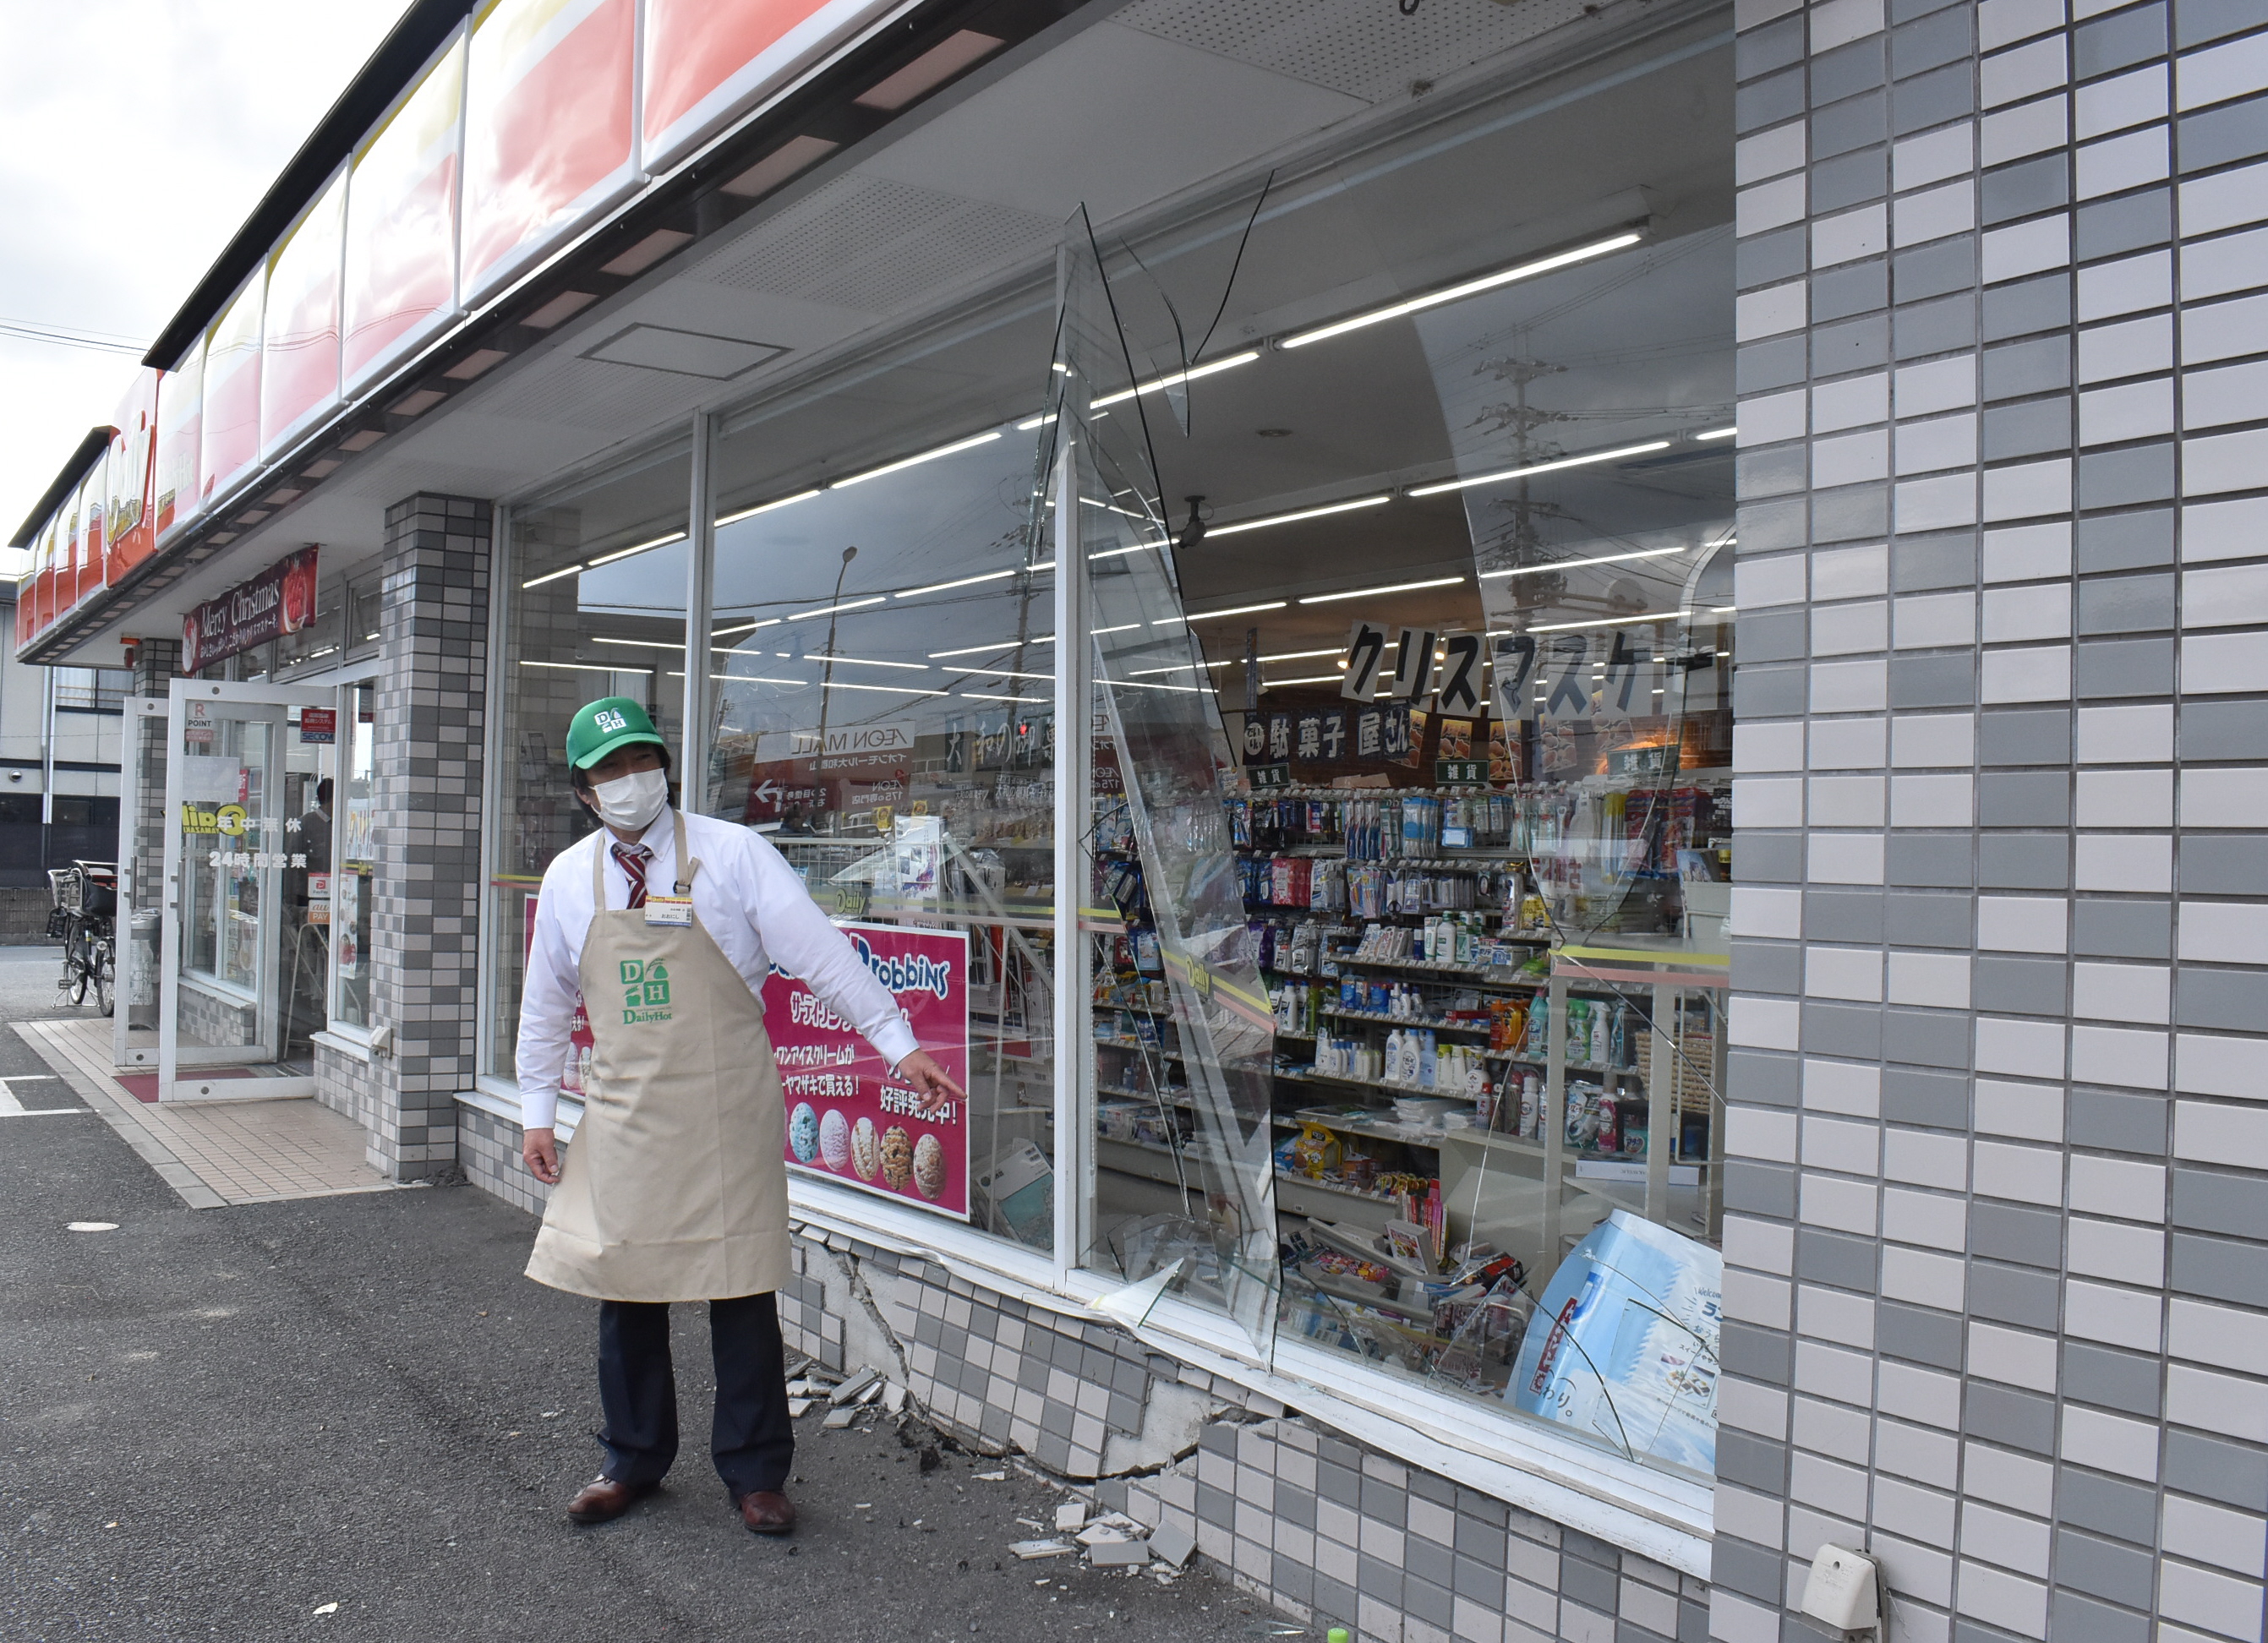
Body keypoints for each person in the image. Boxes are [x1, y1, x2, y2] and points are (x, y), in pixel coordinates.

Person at [515, 697, 963, 1537]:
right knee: (628, 1287)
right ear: (583, 791)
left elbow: (822, 956)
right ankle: (630, 1460)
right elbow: (545, 1005)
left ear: (664, 768)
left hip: (726, 1106)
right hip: (625, 1111)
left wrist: (898, 1045)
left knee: (740, 1288)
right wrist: (538, 1110)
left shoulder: (733, 854)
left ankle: (756, 1473)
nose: (629, 781)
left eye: (640, 762)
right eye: (608, 771)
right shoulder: (570, 878)